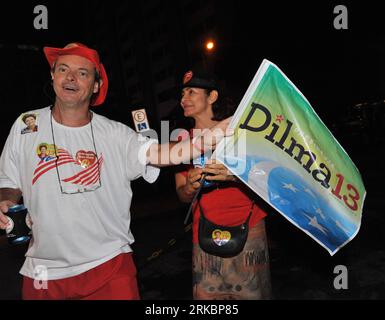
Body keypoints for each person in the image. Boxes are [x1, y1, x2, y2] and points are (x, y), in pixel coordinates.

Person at [0, 43, 230, 300]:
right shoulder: (26, 125)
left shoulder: (115, 133)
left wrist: (214, 134)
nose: (71, 77)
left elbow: (163, 154)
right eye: (63, 69)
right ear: (53, 76)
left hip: (109, 267)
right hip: (42, 272)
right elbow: (9, 181)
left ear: (96, 86)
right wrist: (6, 200)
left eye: (83, 73)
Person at [174, 68, 272, 300]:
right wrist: (188, 188)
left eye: (191, 92)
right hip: (204, 235)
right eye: (182, 93)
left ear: (212, 97)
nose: (183, 99)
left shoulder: (238, 133)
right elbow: (181, 194)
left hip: (250, 230)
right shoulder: (180, 142)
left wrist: (235, 175)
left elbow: (266, 179)